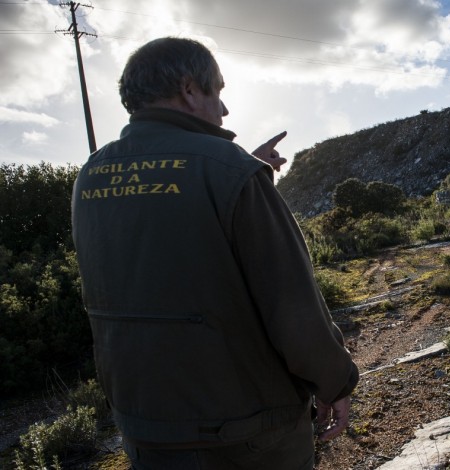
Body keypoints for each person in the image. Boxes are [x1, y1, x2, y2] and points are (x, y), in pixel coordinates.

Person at [71, 37, 358, 470]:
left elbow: (166, 235)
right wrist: (335, 383)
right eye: (218, 93)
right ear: (189, 89)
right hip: (246, 429)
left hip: (146, 426)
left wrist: (238, 171)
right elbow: (293, 306)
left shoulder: (91, 175)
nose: (224, 110)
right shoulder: (228, 170)